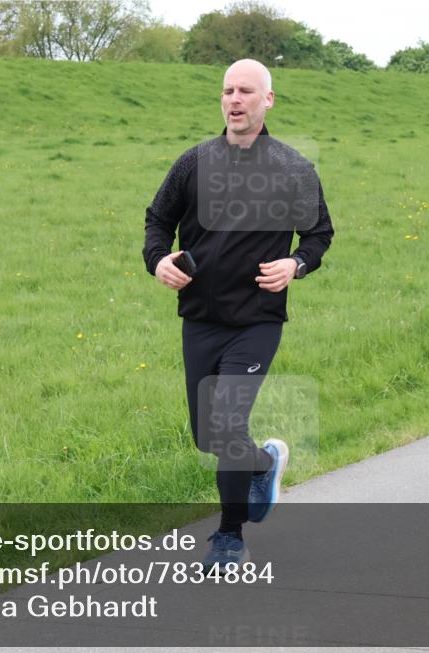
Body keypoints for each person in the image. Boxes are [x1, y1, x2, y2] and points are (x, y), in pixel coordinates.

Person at [143, 59, 334, 572]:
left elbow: (319, 235)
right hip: (200, 318)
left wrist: (296, 264)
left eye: (246, 91)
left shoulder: (293, 168)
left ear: (267, 100)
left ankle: (228, 537)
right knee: (208, 435)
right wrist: (157, 259)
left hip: (256, 320)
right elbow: (157, 220)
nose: (235, 99)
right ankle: (264, 462)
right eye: (228, 90)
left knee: (226, 424)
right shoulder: (194, 163)